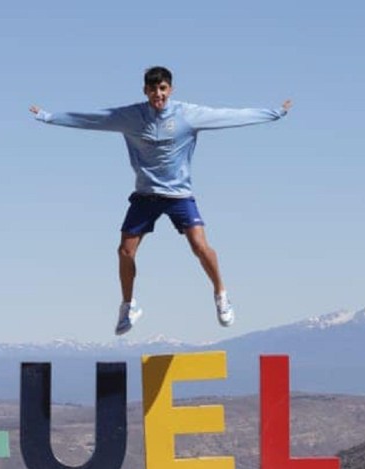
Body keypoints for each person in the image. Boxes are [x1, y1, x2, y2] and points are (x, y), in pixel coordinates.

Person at [30, 66, 291, 335]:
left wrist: (274, 113)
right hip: (146, 195)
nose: (158, 94)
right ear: (145, 91)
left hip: (179, 195)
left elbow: (229, 116)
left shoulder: (188, 115)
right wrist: (48, 117)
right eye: (153, 89)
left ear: (170, 90)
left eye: (163, 88)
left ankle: (221, 295)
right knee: (125, 251)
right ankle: (128, 306)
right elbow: (91, 119)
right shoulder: (131, 117)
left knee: (200, 246)